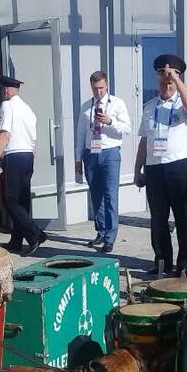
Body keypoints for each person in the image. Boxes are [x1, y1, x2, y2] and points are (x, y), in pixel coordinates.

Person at [133, 54, 187, 275]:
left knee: (184, 217)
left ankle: (184, 265)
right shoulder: (150, 106)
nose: (166, 85)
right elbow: (144, 139)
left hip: (179, 166)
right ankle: (162, 260)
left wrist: (178, 81)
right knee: (158, 218)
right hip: (155, 169)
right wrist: (137, 169)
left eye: (170, 81)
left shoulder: (183, 102)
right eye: (162, 81)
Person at [75, 70, 131, 254]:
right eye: (94, 88)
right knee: (96, 195)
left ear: (106, 86)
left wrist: (110, 121)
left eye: (101, 88)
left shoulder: (117, 103)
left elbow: (127, 129)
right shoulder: (86, 106)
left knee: (110, 195)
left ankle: (110, 236)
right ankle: (101, 230)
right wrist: (77, 159)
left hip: (110, 152)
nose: (98, 92)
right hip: (90, 153)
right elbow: (80, 134)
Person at [0, 75, 45, 256]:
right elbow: (34, 139)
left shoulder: (7, 105)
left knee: (9, 200)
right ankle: (16, 240)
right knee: (22, 200)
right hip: (28, 155)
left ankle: (35, 234)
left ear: (5, 90)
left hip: (13, 156)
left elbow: (4, 135)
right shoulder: (28, 109)